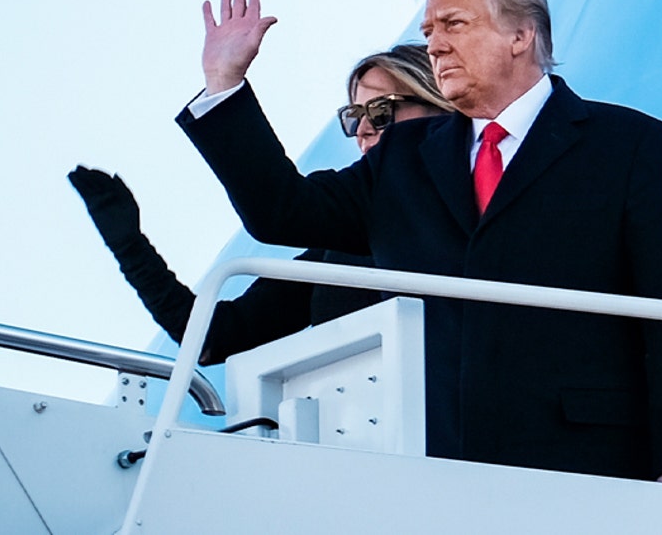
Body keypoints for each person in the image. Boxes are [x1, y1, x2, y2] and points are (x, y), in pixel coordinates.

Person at [177, 0, 662, 487]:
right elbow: (283, 212)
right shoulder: (403, 157)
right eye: (429, 29)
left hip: (588, 463)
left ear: (520, 36)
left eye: (454, 24)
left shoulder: (626, 143)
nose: (435, 44)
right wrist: (224, 82)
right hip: (429, 463)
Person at [70, 43, 453, 365]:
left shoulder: (494, 199)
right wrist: (128, 243)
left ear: (442, 104)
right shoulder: (343, 240)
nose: (364, 129)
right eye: (354, 118)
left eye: (382, 112)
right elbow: (212, 337)